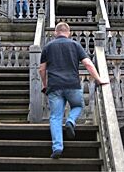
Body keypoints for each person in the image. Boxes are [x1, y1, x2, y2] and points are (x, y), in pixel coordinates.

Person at [40, 22, 109, 159]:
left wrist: (45, 84)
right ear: (69, 32)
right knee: (78, 106)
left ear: (55, 32)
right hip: (72, 84)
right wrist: (99, 79)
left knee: (55, 117)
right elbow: (88, 64)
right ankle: (71, 121)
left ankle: (58, 147)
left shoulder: (48, 47)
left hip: (54, 86)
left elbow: (42, 69)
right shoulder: (75, 45)